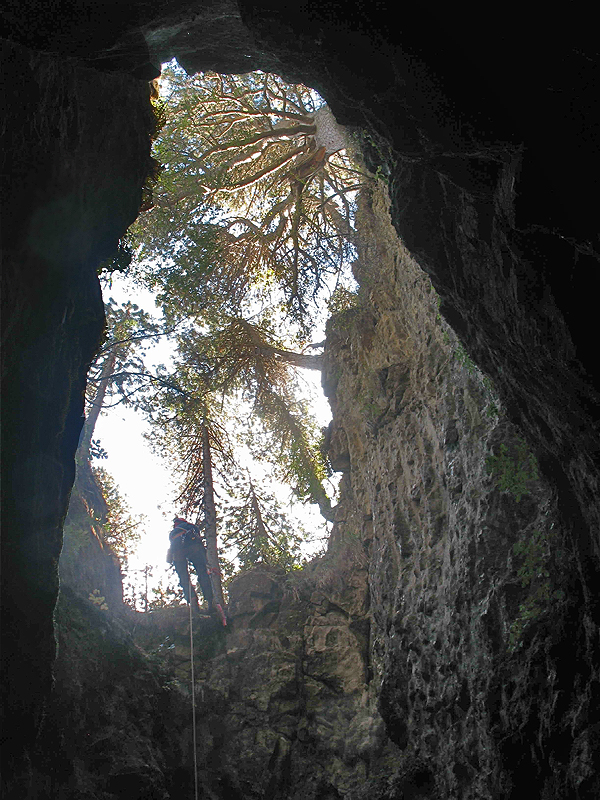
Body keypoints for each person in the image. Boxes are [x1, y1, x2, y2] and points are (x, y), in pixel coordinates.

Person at [167, 516, 214, 612]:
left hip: (177, 551)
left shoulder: (173, 532)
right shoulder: (191, 526)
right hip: (194, 548)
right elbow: (198, 538)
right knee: (202, 572)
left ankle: (193, 601)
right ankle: (210, 601)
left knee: (183, 577)